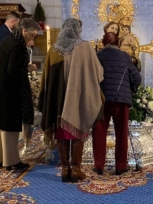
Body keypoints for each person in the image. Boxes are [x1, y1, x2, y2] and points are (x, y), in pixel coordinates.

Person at [38, 18, 104, 183]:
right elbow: (98, 73)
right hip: (78, 99)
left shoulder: (53, 50)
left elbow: (45, 79)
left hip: (57, 101)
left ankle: (65, 168)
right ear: (76, 30)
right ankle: (75, 168)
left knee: (61, 132)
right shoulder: (85, 47)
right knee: (77, 129)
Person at [0, 18, 39, 171]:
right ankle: (11, 162)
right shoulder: (17, 45)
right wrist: (28, 68)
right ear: (24, 31)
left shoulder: (10, 39)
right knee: (9, 125)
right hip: (6, 91)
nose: (33, 39)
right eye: (32, 35)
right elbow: (12, 71)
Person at [92, 31, 141, 176]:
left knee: (99, 133)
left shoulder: (97, 56)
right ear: (117, 43)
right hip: (122, 100)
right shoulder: (125, 57)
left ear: (103, 42)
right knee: (121, 133)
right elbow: (136, 78)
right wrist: (129, 89)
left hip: (102, 100)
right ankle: (121, 166)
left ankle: (99, 166)